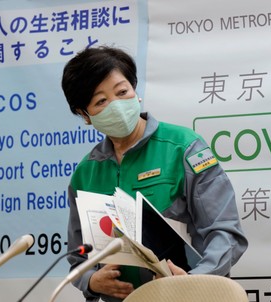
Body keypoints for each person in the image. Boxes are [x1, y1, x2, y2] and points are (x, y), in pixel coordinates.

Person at [61, 45, 248, 302]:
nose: (115, 105)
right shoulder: (85, 174)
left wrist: (196, 279)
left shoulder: (184, 147)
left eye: (122, 92)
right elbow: (78, 256)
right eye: (101, 101)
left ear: (135, 92)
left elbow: (225, 233)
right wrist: (91, 281)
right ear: (85, 115)